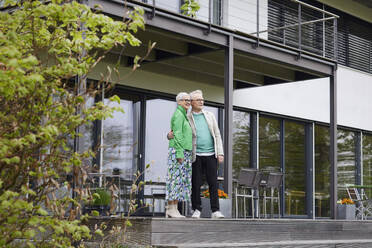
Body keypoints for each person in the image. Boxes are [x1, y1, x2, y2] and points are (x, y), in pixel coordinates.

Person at [168, 90, 224, 219]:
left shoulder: (210, 115)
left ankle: (215, 211)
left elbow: (217, 134)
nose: (201, 101)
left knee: (213, 183)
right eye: (198, 100)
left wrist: (220, 152)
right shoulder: (186, 117)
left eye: (202, 99)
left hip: (211, 154)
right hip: (195, 155)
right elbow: (175, 132)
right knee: (195, 183)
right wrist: (168, 136)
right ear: (192, 102)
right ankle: (196, 209)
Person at [165, 92, 193, 218]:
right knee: (175, 181)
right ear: (179, 102)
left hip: (184, 151)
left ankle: (174, 208)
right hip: (179, 151)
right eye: (184, 100)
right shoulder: (179, 115)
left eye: (189, 99)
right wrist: (180, 153)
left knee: (180, 181)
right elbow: (177, 135)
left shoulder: (184, 115)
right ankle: (171, 208)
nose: (188, 102)